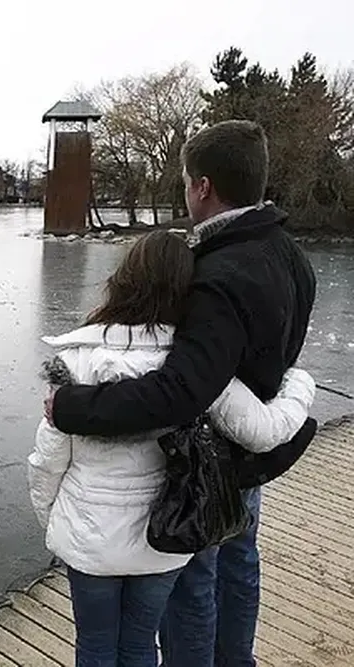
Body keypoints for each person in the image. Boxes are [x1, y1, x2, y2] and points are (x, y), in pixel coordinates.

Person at [45, 120, 317, 667]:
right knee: (241, 566)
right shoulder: (290, 255)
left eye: (187, 181)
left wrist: (72, 406)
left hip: (204, 470)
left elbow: (180, 392)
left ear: (203, 187)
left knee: (194, 587)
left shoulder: (218, 274)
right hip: (250, 460)